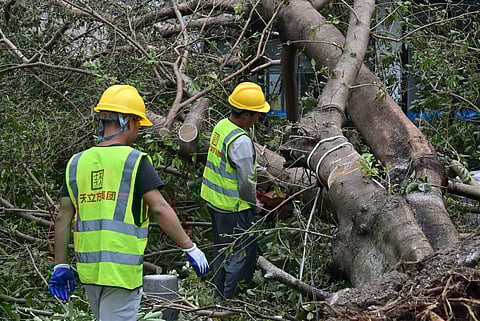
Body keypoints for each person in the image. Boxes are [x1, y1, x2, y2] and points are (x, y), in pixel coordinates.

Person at [49, 85, 209, 321]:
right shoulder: (134, 161)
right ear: (129, 122)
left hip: (89, 271)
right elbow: (159, 208)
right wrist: (189, 247)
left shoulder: (76, 162)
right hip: (121, 273)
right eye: (138, 124)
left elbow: (64, 217)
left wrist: (60, 265)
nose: (138, 131)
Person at [200, 81, 270, 299]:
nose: (258, 118)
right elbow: (246, 182)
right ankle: (232, 300)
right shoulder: (241, 141)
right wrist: (254, 205)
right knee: (241, 257)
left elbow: (228, 164)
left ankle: (219, 294)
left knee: (221, 251)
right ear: (246, 115)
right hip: (233, 207)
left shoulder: (222, 126)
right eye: (257, 114)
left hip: (215, 201)